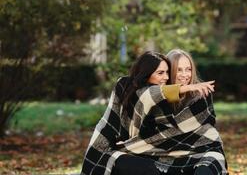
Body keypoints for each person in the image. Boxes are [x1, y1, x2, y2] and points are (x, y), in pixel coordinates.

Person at [80, 51, 215, 175]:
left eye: (188, 69)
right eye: (160, 73)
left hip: (152, 153)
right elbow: (149, 95)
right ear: (146, 73)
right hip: (108, 151)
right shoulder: (126, 86)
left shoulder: (168, 98)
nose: (166, 77)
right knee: (152, 170)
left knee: (209, 165)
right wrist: (186, 87)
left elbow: (203, 130)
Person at [166, 49, 228, 175]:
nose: (185, 75)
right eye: (179, 70)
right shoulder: (158, 96)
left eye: (188, 69)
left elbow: (207, 129)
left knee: (207, 167)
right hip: (167, 153)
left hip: (202, 150)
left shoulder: (201, 94)